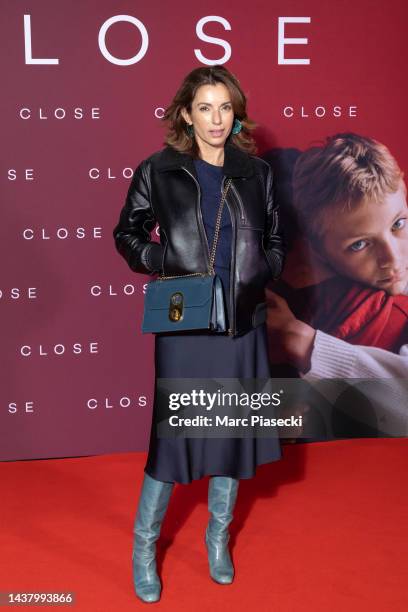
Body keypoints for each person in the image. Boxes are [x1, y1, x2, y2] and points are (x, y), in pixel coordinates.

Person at [113, 65, 285, 603]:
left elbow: (276, 235)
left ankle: (217, 538)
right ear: (186, 113)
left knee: (230, 433)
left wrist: (265, 268)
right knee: (173, 438)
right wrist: (164, 256)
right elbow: (127, 233)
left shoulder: (256, 172)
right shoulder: (159, 169)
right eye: (205, 107)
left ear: (236, 115)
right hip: (186, 320)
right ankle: (144, 547)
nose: (216, 119)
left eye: (225, 108)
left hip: (241, 323)